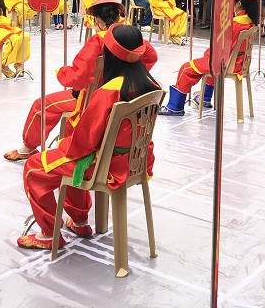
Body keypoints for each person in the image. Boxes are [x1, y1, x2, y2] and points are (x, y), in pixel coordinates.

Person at [18, 24, 160, 250]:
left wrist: (65, 146)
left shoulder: (109, 92)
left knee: (35, 168)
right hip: (137, 161)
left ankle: (47, 233)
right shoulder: (152, 85)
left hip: (106, 166)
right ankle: (80, 221)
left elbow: (83, 143)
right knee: (69, 159)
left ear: (110, 55)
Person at [5, 0, 157, 160]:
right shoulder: (131, 36)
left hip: (94, 99)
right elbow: (151, 57)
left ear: (97, 20)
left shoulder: (98, 39)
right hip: (125, 94)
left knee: (42, 105)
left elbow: (79, 77)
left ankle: (28, 147)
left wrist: (62, 72)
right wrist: (125, 77)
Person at [160, 0, 258, 115]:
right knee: (207, 59)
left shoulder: (235, 24)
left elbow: (219, 47)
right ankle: (205, 97)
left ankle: (175, 107)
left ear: (239, 3)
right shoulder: (250, 22)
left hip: (227, 63)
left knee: (187, 68)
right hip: (240, 62)